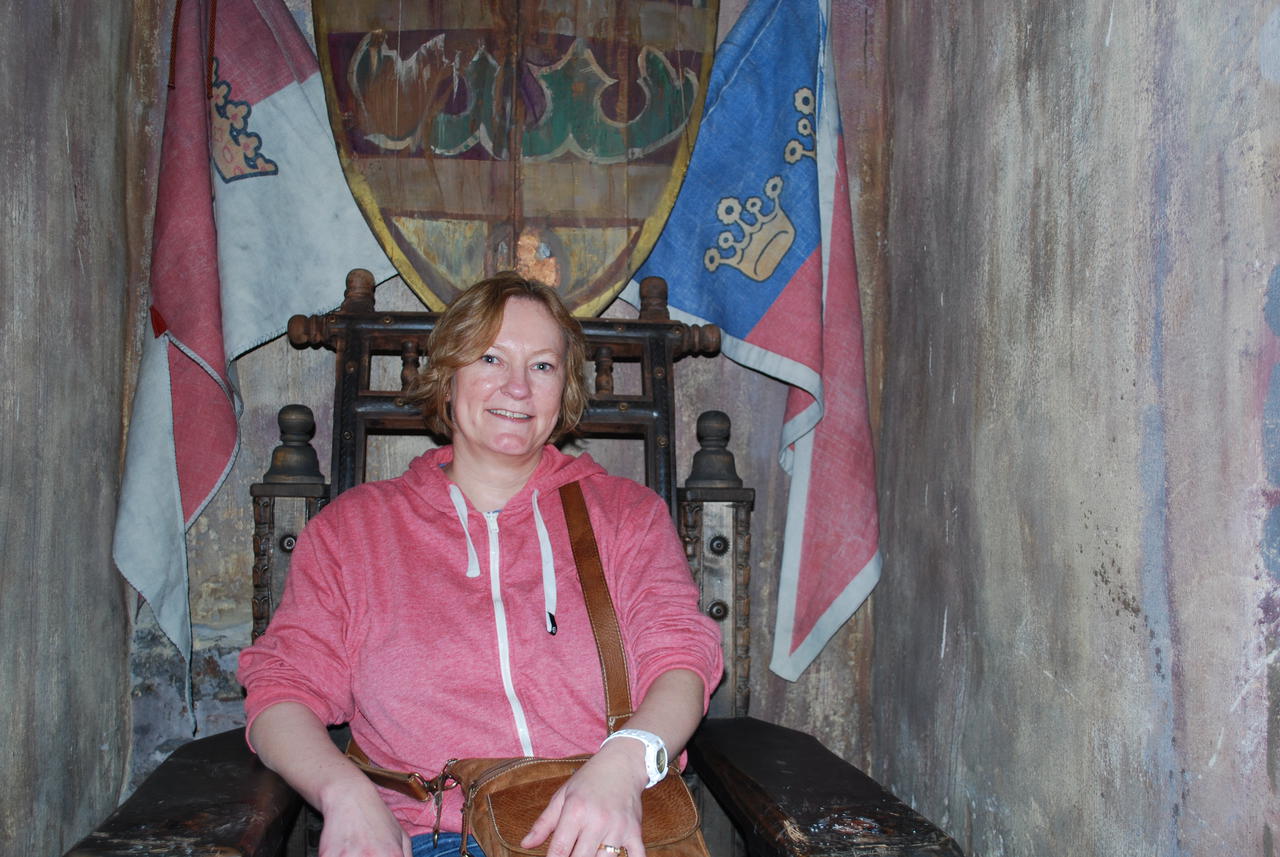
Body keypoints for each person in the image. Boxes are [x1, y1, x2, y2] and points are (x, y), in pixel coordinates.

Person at [237, 272, 724, 857]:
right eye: (490, 358)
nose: (517, 387)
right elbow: (282, 689)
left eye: (542, 366)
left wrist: (625, 763)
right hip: (435, 836)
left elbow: (681, 660)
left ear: (564, 389)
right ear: (447, 377)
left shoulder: (625, 514)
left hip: (607, 825)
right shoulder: (353, 530)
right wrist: (343, 793)